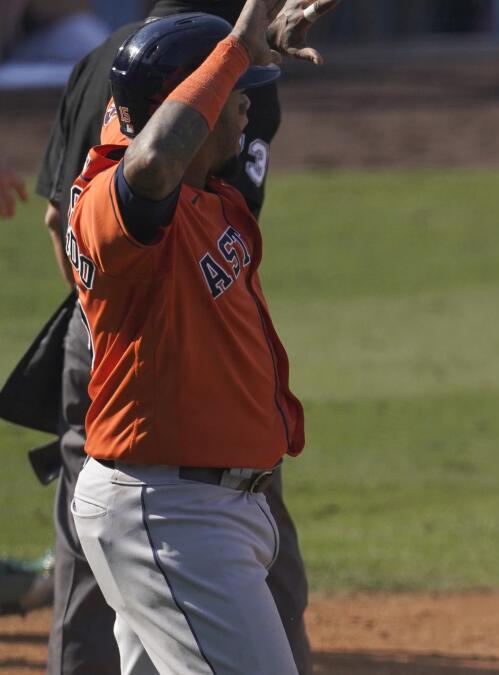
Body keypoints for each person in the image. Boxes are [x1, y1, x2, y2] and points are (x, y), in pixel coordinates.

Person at [19, 1, 312, 672]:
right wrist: (233, 51)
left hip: (204, 507)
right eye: (236, 96)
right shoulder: (109, 207)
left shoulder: (206, 195)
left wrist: (258, 44)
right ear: (182, 106)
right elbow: (151, 162)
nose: (248, 109)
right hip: (171, 513)